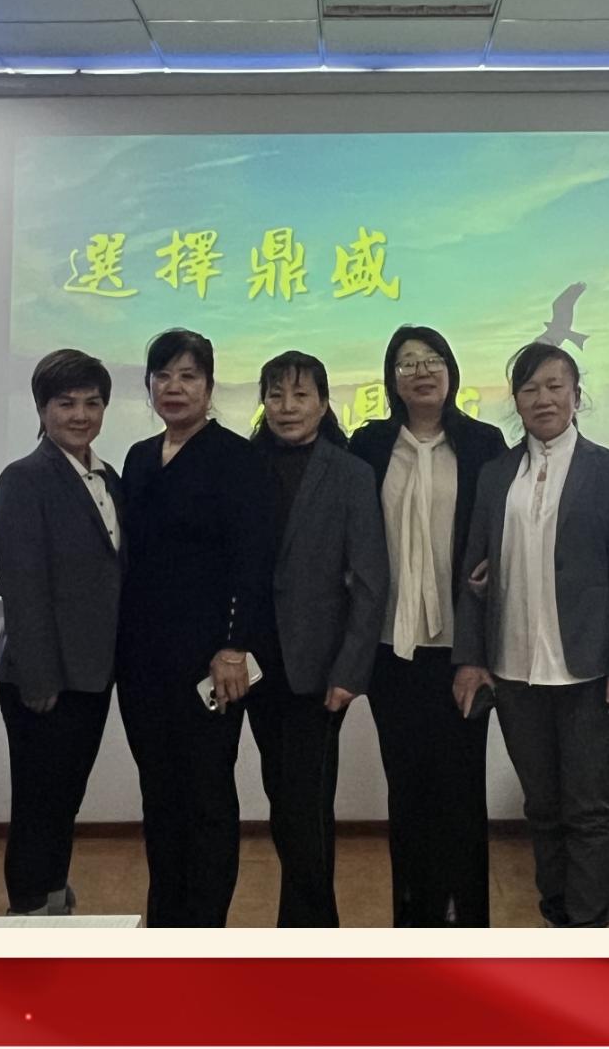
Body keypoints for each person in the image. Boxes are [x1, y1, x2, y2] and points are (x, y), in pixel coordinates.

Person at [453, 343, 609, 929]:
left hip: (587, 668)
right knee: (541, 807)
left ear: (576, 395)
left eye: (556, 386)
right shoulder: (494, 475)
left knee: (588, 809)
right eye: (530, 388)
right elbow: (473, 573)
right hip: (514, 669)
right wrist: (471, 657)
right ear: (515, 400)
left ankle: (588, 931)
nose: (544, 399)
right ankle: (556, 921)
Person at [348, 326, 509, 927]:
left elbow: (502, 534)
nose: (421, 372)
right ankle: (413, 929)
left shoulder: (483, 444)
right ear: (391, 379)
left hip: (462, 651)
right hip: (392, 649)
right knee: (408, 794)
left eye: (433, 360)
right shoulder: (369, 446)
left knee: (462, 795)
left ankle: (468, 930)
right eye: (407, 363)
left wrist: (481, 644)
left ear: (451, 371)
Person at [116, 328, 274, 927]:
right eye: (163, 376)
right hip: (141, 661)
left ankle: (205, 931)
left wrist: (234, 647)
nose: (174, 387)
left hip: (210, 662)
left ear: (209, 387)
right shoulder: (138, 458)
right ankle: (165, 926)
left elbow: (252, 563)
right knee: (158, 794)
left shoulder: (237, 458)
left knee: (206, 795)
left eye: (188, 376)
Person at [244, 350, 388, 926]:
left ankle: (311, 934)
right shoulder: (245, 466)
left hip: (321, 670)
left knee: (306, 804)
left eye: (301, 395)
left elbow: (370, 582)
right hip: (255, 666)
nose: (287, 407)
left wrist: (350, 671)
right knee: (282, 798)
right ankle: (304, 930)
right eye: (276, 394)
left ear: (324, 404)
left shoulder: (351, 473)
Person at [0, 350, 126, 917]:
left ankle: (51, 893)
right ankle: (28, 906)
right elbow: (22, 585)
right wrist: (39, 676)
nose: (80, 415)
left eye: (92, 403)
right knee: (39, 799)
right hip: (43, 676)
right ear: (42, 408)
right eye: (66, 403)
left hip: (91, 670)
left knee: (65, 794)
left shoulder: (108, 477)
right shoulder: (25, 478)